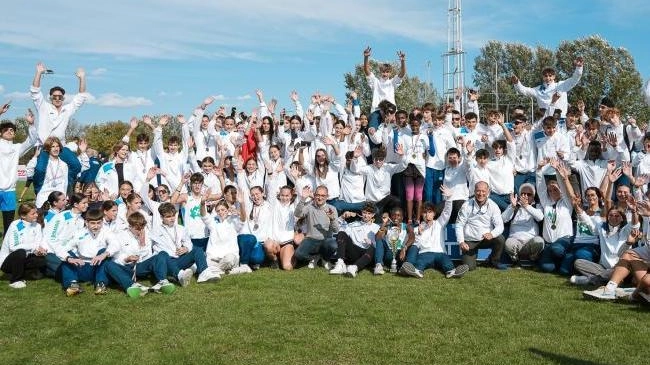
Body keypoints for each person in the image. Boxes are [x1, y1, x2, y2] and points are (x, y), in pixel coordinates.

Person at [399, 186, 470, 278]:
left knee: (447, 262)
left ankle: (452, 272)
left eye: (429, 212)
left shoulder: (439, 223)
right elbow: (416, 245)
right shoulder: (417, 228)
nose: (427, 215)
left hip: (440, 253)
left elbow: (447, 212)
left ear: (434, 214)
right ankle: (417, 271)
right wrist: (419, 233)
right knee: (420, 262)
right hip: (425, 253)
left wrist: (449, 198)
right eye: (424, 212)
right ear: (421, 214)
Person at [104, 212, 176, 298]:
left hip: (140, 266)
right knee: (108, 264)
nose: (140, 231)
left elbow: (147, 256)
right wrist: (126, 259)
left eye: (142, 228)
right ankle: (132, 286)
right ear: (130, 226)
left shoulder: (146, 234)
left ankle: (162, 282)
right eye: (137, 229)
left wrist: (142, 244)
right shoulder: (120, 236)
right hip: (126, 267)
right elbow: (115, 258)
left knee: (162, 254)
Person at [151, 202, 220, 285]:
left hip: (179, 259)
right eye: (168, 217)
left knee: (197, 250)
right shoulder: (155, 231)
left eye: (173, 215)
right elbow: (151, 250)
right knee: (163, 256)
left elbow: (189, 244)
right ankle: (180, 275)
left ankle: (204, 273)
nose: (172, 219)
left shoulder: (181, 228)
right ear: (161, 217)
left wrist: (186, 249)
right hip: (166, 262)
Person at [56, 209, 111, 296]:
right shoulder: (79, 233)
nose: (96, 226)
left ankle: (100, 284)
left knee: (104, 252)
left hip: (97, 267)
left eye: (99, 223)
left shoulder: (107, 231)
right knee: (67, 257)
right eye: (93, 223)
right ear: (86, 222)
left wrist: (104, 254)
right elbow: (61, 248)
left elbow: (116, 245)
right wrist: (69, 258)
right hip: (81, 265)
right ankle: (73, 284)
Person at [455, 181, 508, 270]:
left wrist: (492, 234)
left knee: (500, 239)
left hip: (486, 239)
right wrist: (461, 242)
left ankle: (493, 261)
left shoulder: (493, 206)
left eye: (483, 191)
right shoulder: (466, 205)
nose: (481, 194)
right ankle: (472, 259)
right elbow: (459, 225)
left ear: (488, 192)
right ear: (474, 191)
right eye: (478, 191)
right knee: (470, 267)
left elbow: (500, 226)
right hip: (470, 241)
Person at [0, 110, 37, 236]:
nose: (10, 131)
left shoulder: (16, 148)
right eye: (6, 130)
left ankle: (6, 248)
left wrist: (31, 125)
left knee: (8, 223)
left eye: (12, 130)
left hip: (9, 190)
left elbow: (32, 141)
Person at [511, 57, 584, 117]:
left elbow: (574, 79)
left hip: (561, 120)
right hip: (545, 122)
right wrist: (517, 83)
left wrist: (579, 68)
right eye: (545, 76)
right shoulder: (538, 89)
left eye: (550, 76)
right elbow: (525, 91)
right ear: (542, 77)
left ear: (554, 76)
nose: (548, 78)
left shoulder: (561, 85)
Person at [0, 203, 46, 289]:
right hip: (8, 261)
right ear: (23, 216)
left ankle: (27, 273)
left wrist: (39, 250)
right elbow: (13, 247)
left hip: (26, 256)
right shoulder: (15, 225)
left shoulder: (37, 226)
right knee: (20, 252)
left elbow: (38, 243)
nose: (36, 215)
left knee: (42, 260)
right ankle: (15, 280)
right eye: (33, 214)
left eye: (36, 212)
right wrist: (34, 247)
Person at [329, 202, 380, 278]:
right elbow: (337, 229)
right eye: (364, 213)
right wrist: (342, 217)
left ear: (373, 215)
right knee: (342, 233)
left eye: (369, 213)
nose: (366, 215)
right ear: (361, 212)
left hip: (367, 255)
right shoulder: (354, 224)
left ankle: (354, 268)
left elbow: (380, 244)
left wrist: (372, 242)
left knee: (373, 247)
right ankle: (340, 263)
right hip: (354, 253)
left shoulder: (376, 227)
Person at [293, 185, 339, 268]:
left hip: (326, 240)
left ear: (327, 197)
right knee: (298, 254)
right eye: (317, 195)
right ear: (314, 195)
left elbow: (336, 230)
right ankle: (315, 257)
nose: (320, 198)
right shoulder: (309, 207)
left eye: (323, 196)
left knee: (333, 245)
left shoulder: (332, 209)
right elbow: (297, 214)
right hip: (311, 239)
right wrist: (303, 199)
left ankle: (325, 258)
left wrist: (332, 219)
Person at [363, 46, 406, 128]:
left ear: (390, 73)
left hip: (391, 111)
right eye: (383, 72)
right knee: (372, 130)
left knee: (393, 131)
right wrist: (366, 57)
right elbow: (366, 71)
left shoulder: (392, 82)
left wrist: (403, 62)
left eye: (387, 72)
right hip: (377, 110)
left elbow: (402, 74)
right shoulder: (375, 82)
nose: (385, 74)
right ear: (380, 72)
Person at [502, 184, 545, 264]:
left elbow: (540, 217)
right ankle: (515, 259)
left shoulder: (537, 206)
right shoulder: (514, 205)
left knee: (539, 241)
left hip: (530, 242)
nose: (525, 196)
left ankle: (532, 258)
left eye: (529, 194)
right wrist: (512, 207)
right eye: (523, 194)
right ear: (519, 195)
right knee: (508, 243)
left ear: (533, 196)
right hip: (516, 241)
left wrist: (526, 206)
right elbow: (504, 219)